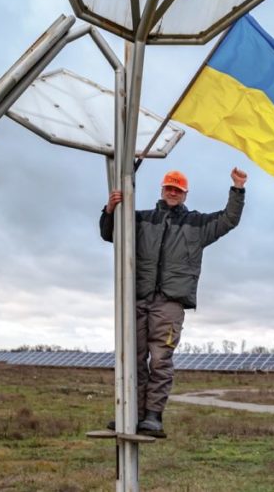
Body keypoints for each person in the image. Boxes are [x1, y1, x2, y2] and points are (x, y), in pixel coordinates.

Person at [100, 167, 246, 437]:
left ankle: (153, 416)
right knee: (133, 358)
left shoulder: (197, 225)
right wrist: (109, 210)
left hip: (170, 304)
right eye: (169, 187)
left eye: (177, 189)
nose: (172, 192)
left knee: (160, 360)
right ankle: (132, 414)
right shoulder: (140, 218)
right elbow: (110, 234)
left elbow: (228, 220)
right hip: (138, 297)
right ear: (162, 189)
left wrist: (237, 189)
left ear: (185, 194)